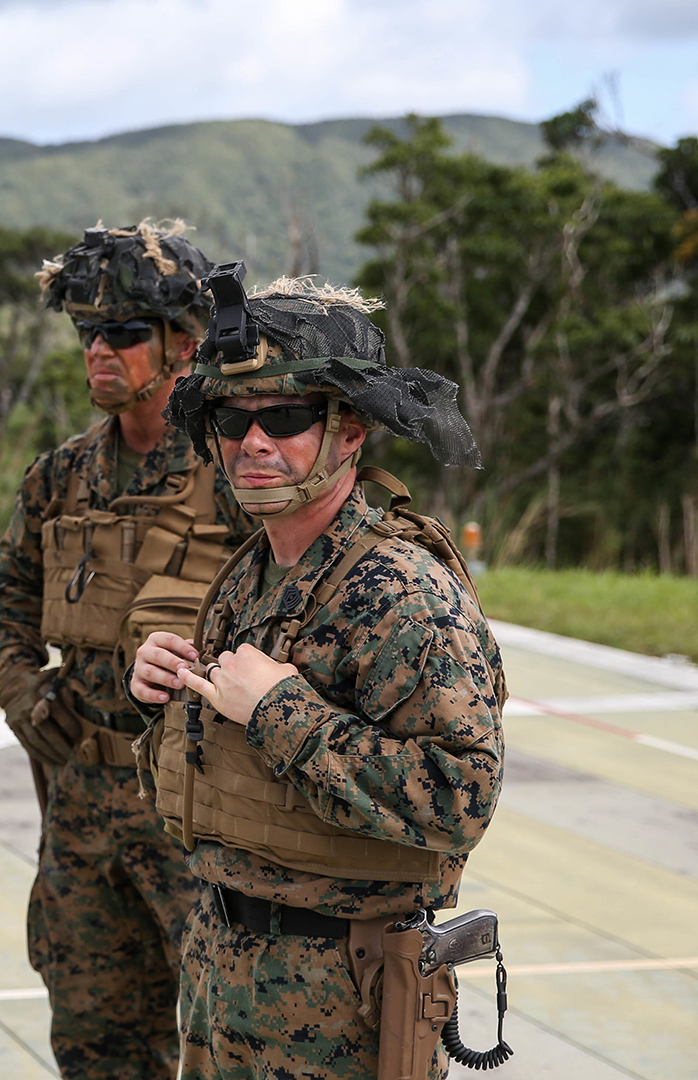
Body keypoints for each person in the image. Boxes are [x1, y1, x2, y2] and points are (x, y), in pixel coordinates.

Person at [126, 268, 505, 1079]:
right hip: (222, 967)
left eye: (288, 417)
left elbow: (460, 796)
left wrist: (279, 709)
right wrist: (165, 695)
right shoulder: (251, 570)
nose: (254, 442)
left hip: (340, 997)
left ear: (353, 432)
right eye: (233, 417)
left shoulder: (401, 589)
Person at [0, 222, 247, 1078]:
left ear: (182, 346)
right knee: (95, 1044)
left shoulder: (236, 472)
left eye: (123, 333)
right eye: (89, 333)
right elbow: (9, 603)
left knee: (225, 1039)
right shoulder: (59, 476)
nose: (100, 351)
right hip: (83, 808)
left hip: (196, 812)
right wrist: (24, 695)